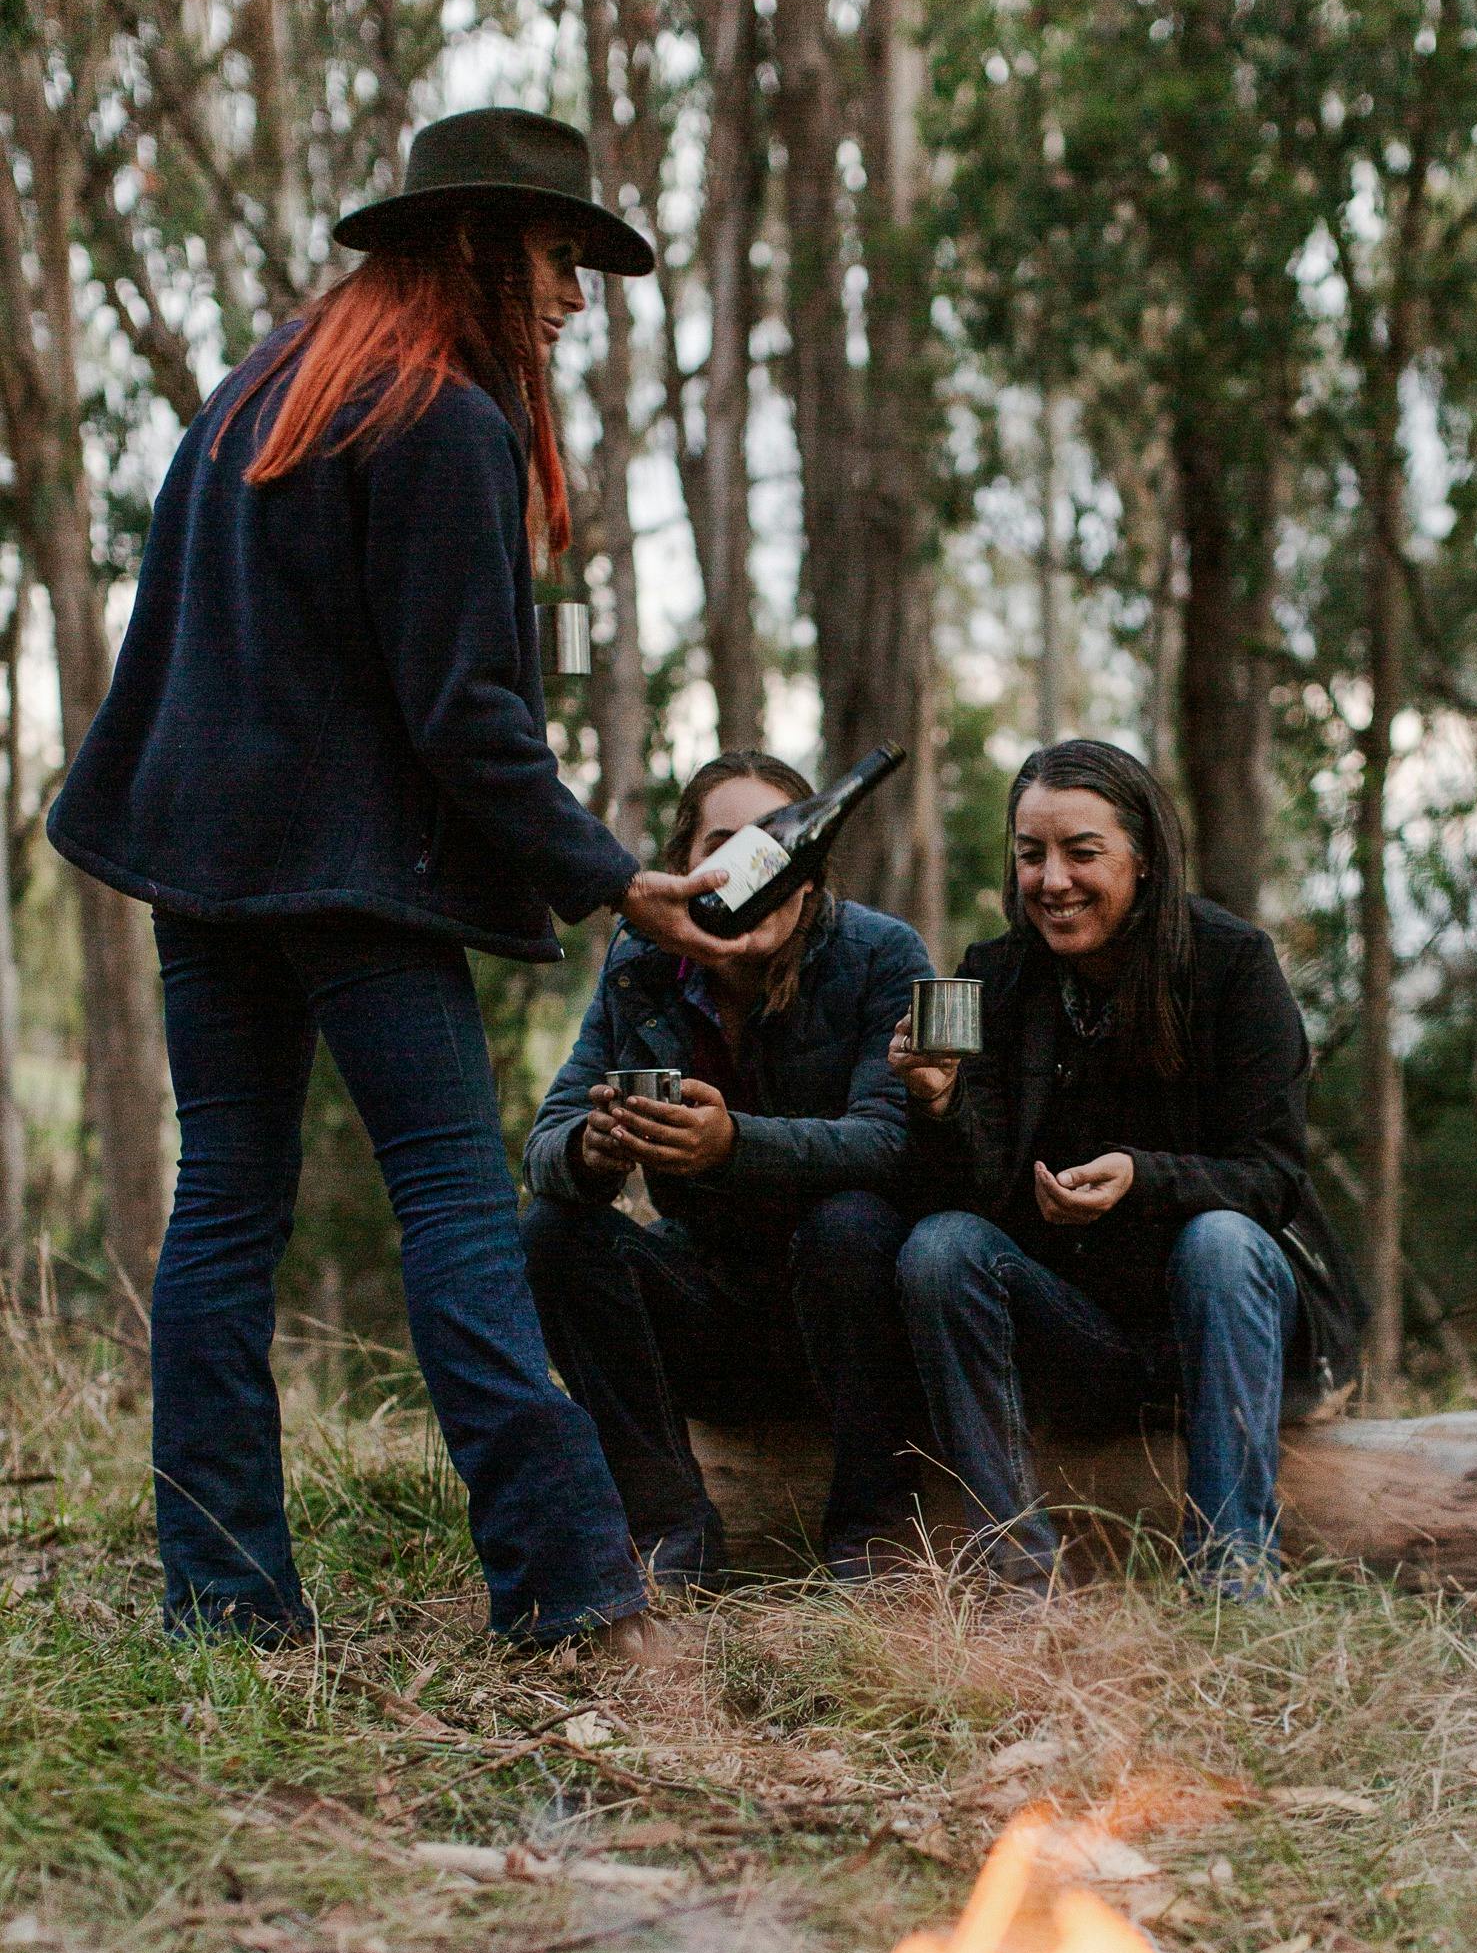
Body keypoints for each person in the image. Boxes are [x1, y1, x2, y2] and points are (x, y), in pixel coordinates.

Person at [47, 106, 768, 1655]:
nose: (576, 298)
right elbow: (464, 714)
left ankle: (224, 1602)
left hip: (207, 870)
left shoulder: (258, 401)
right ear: (478, 247)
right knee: (451, 1196)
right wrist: (610, 877)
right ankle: (570, 1583)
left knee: (225, 1209)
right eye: (559, 260)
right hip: (354, 880)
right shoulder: (438, 419)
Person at [892, 739, 1364, 1593]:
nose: (1052, 881)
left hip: (1224, 1326)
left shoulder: (1232, 965)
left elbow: (1272, 1178)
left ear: (1142, 859)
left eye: (1082, 853)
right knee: (939, 1246)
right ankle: (1013, 1572)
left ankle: (1230, 1575)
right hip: (1082, 1333)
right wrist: (938, 1104)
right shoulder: (993, 980)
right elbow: (969, 1194)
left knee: (1221, 1240)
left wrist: (1144, 1180)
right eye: (1031, 854)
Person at [521, 753, 929, 1589]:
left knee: (849, 1222)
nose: (752, 866)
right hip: (714, 1307)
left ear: (809, 872)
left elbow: (893, 1141)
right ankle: (673, 1532)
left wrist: (733, 1142)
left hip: (854, 1318)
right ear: (682, 871)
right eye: (723, 843)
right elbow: (547, 1139)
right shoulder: (643, 963)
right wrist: (589, 1151)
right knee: (556, 1231)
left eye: (773, 844)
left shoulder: (881, 953)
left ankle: (873, 1536)